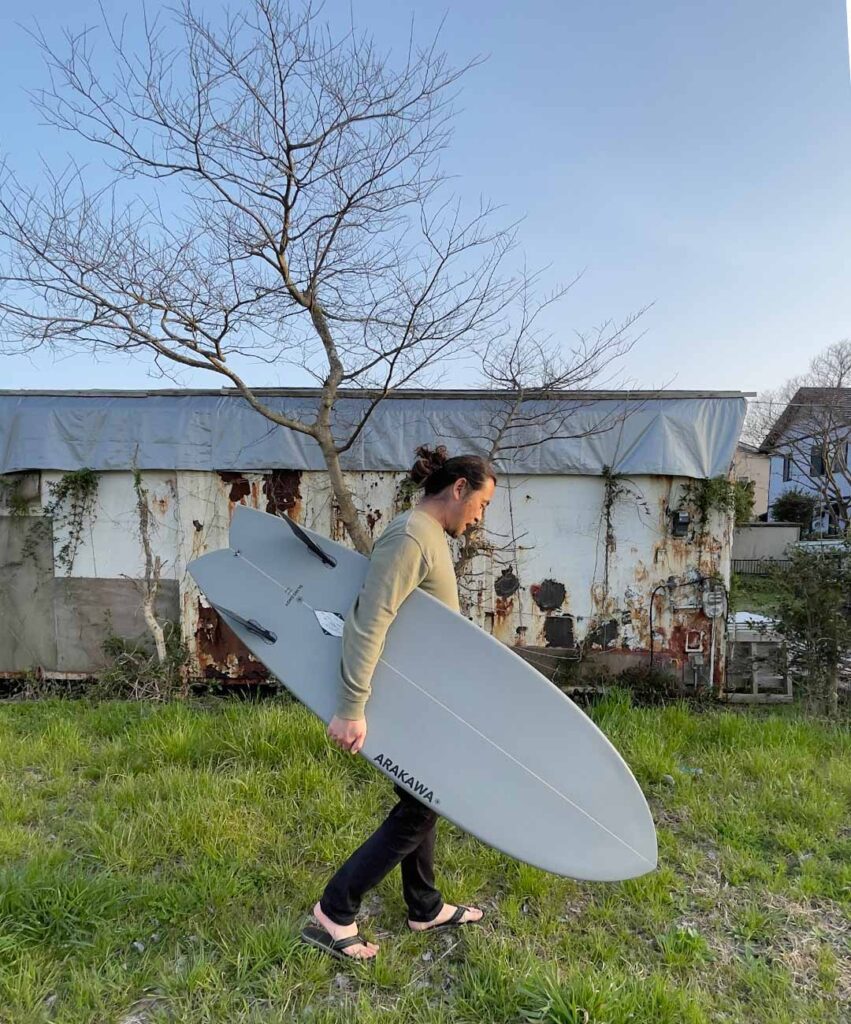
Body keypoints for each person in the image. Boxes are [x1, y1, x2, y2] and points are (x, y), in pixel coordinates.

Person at [300, 446, 497, 962]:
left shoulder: (428, 536)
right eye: (481, 503)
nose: (479, 516)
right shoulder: (412, 536)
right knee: (422, 806)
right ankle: (334, 911)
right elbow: (370, 620)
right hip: (402, 700)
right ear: (459, 489)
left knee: (421, 799)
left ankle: (424, 906)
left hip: (425, 698)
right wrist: (351, 706)